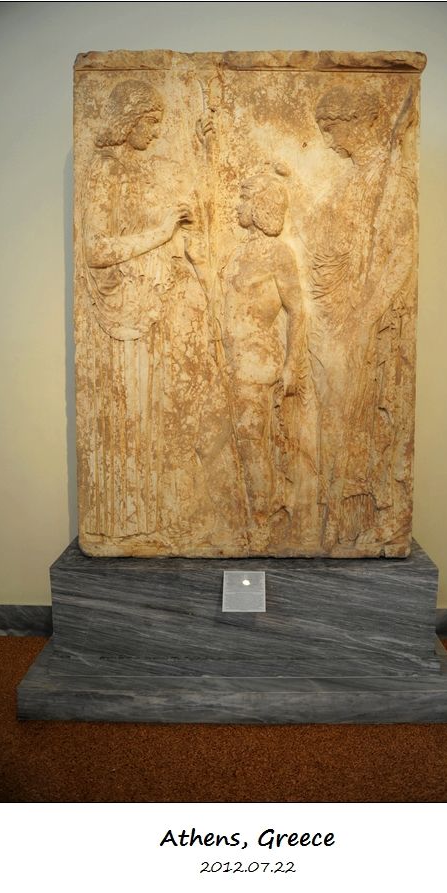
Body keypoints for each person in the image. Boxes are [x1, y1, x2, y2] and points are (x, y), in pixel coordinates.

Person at [78, 80, 239, 550]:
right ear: (128, 120)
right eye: (149, 122)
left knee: (162, 418)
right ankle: (129, 525)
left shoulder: (140, 169)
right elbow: (96, 250)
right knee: (135, 419)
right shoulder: (103, 170)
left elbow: (181, 209)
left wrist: (204, 151)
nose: (153, 132)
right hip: (129, 319)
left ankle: (158, 517)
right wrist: (162, 232)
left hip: (155, 310)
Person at [311, 83, 418, 552]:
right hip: (340, 317)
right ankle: (338, 524)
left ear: (356, 122)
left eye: (332, 129)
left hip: (377, 327)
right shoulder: (351, 181)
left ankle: (374, 522)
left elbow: (401, 256)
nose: (329, 140)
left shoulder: (392, 177)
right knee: (339, 422)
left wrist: (366, 314)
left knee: (372, 423)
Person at [220, 171, 307, 550]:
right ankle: (251, 511)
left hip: (256, 362)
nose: (237, 206)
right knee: (242, 440)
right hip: (231, 360)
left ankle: (261, 521)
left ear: (259, 207)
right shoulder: (238, 253)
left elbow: (297, 310)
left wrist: (292, 364)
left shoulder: (278, 253)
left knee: (252, 440)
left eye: (244, 199)